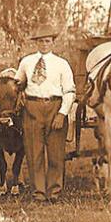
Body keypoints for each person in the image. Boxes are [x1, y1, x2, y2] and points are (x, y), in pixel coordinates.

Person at [14, 24, 76, 202]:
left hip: (55, 107)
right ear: (36, 43)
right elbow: (17, 84)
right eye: (40, 41)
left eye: (47, 41)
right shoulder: (26, 62)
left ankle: (54, 192)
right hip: (32, 108)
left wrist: (62, 114)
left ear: (53, 42)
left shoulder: (61, 64)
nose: (44, 44)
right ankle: (39, 192)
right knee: (34, 153)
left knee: (56, 153)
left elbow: (70, 92)